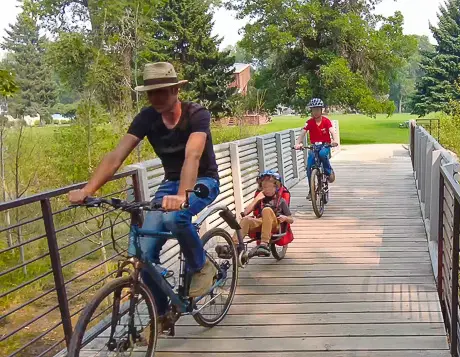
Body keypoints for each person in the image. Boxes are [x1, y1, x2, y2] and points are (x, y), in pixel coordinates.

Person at [67, 62, 221, 322]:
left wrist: (184, 195)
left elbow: (192, 156)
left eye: (161, 91)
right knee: (144, 253)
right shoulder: (147, 117)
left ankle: (201, 266)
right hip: (170, 183)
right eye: (150, 93)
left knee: (175, 218)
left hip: (202, 181)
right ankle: (161, 312)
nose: (155, 98)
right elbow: (117, 156)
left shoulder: (197, 114)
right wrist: (87, 190)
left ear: (175, 90)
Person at [238, 170, 294, 254]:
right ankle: (234, 244)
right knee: (246, 219)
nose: (267, 190)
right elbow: (245, 213)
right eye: (264, 187)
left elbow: (291, 219)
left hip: (275, 223)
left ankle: (264, 244)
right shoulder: (260, 199)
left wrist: (285, 218)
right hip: (260, 222)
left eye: (270, 187)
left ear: (276, 187)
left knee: (266, 210)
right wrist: (256, 199)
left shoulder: (281, 201)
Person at [294, 98, 339, 200]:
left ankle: (328, 171)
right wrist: (298, 143)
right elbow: (303, 133)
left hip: (325, 145)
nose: (315, 112)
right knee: (309, 165)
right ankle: (311, 189)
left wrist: (335, 141)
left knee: (323, 154)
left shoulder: (326, 121)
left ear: (321, 110)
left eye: (317, 110)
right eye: (313, 110)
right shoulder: (309, 122)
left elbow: (332, 131)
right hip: (314, 146)